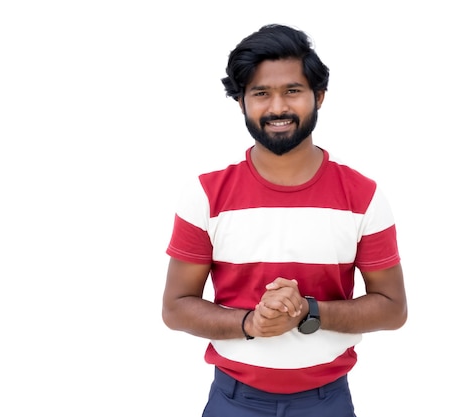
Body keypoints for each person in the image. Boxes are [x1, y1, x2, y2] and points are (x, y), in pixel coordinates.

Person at [162, 23, 407, 417]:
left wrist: (309, 311)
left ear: (319, 96)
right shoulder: (206, 194)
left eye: (292, 91)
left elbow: (393, 308)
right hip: (233, 401)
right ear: (241, 102)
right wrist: (251, 324)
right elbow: (175, 307)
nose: (278, 108)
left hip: (327, 401)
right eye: (261, 93)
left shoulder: (363, 195)